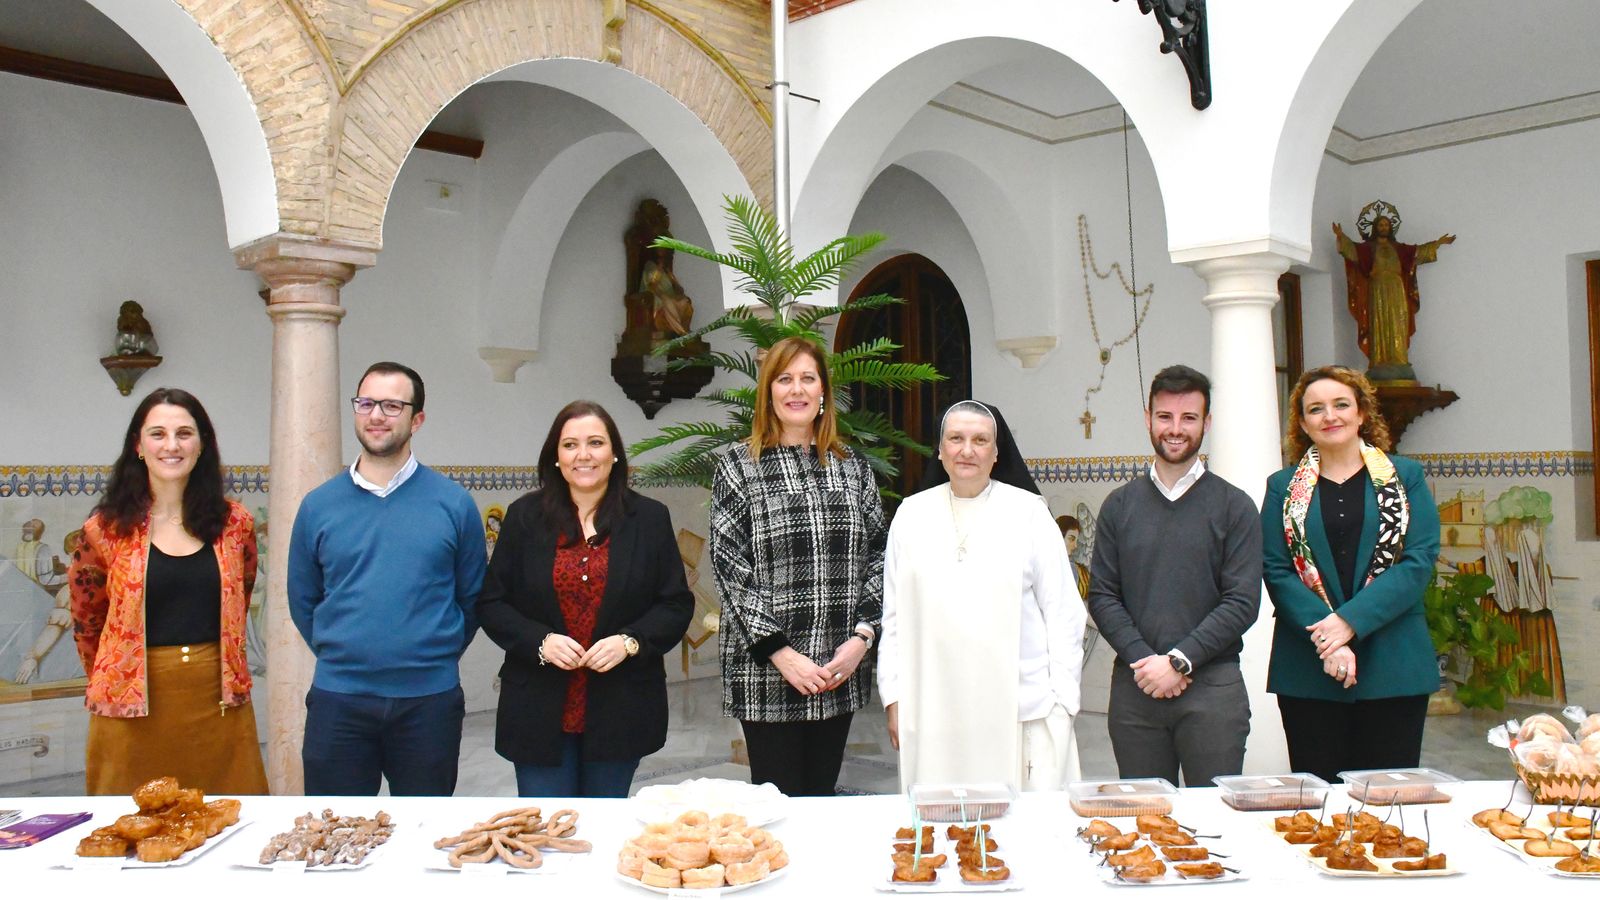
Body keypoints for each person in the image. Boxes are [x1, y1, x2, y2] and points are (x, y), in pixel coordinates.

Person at [288, 361, 486, 796]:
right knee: (336, 836)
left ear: (417, 419)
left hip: (428, 702)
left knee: (423, 836)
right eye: (367, 402)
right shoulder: (318, 506)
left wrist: (433, 651)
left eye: (392, 405)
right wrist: (344, 651)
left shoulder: (453, 505)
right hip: (339, 699)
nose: (376, 414)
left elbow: (472, 597)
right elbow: (303, 599)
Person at [478, 400, 693, 797]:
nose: (583, 455)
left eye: (595, 442)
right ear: (555, 457)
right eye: (570, 445)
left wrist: (630, 642)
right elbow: (492, 602)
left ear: (614, 454)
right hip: (538, 705)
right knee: (548, 833)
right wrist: (539, 641)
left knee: (605, 832)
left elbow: (675, 604)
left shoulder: (648, 519)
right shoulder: (524, 517)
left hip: (622, 705)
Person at [708, 336, 887, 797]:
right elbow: (731, 568)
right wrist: (782, 655)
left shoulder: (853, 468)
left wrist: (861, 639)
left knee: (822, 798)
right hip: (767, 672)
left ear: (824, 390)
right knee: (777, 806)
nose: (797, 389)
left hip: (837, 667)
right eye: (784, 379)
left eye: (808, 378)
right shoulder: (737, 467)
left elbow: (882, 556)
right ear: (768, 392)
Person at [67, 388, 268, 794]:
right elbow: (87, 621)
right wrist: (119, 675)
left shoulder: (235, 525)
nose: (171, 445)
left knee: (228, 826)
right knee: (128, 831)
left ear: (202, 445)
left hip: (218, 703)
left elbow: (240, 601)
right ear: (138, 446)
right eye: (157, 434)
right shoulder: (104, 530)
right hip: (131, 707)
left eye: (184, 433)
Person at [879, 400, 1084, 790]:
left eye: (980, 440)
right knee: (945, 835)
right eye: (955, 439)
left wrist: (1062, 702)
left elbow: (1064, 612)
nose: (967, 450)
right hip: (934, 706)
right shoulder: (910, 515)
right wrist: (894, 697)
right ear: (940, 451)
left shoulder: (1029, 513)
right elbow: (894, 619)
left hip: (1022, 708)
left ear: (995, 452)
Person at [1261, 365, 1441, 783]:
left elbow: (1418, 560)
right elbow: (1276, 569)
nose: (1330, 416)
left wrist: (1348, 624)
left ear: (1361, 412)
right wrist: (1328, 639)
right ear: (1303, 424)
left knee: (1386, 805)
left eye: (1341, 404)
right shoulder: (1281, 487)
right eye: (1316, 409)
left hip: (1394, 665)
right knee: (1320, 809)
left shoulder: (1406, 476)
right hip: (1309, 666)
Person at [1086, 365, 1261, 787]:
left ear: (1207, 423)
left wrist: (1179, 661)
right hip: (1136, 685)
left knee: (1215, 821)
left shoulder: (1234, 507)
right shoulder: (1119, 505)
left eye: (1189, 418)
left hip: (1213, 688)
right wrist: (1147, 662)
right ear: (1148, 419)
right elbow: (1103, 595)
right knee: (1144, 822)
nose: (1175, 429)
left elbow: (1241, 602)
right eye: (1165, 417)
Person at [1333, 201, 1455, 383]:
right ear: (1375, 228)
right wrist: (1341, 237)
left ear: (1391, 228)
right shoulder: (1367, 249)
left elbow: (1417, 252)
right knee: (1378, 323)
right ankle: (1379, 361)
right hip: (1377, 289)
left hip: (1397, 289)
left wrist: (1437, 243)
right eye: (1381, 224)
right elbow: (1352, 251)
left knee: (1398, 323)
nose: (1383, 227)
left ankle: (1399, 361)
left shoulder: (1400, 249)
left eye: (1386, 225)